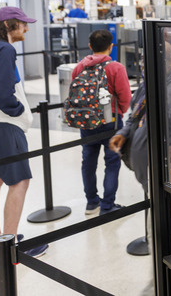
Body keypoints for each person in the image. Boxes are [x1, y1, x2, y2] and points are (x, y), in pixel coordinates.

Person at [110, 33, 171, 254]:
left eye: (149, 62)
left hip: (170, 175)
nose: (144, 66)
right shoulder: (150, 85)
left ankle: (164, 281)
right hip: (153, 171)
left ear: (169, 60)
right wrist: (125, 133)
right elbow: (135, 116)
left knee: (160, 234)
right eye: (143, 62)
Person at [0, 7, 48, 257]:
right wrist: (17, 111)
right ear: (8, 26)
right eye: (23, 24)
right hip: (5, 125)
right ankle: (10, 245)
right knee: (20, 181)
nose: (26, 28)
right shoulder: (5, 49)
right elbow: (4, 93)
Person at [71, 30, 132, 215]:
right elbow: (125, 97)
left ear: (90, 46)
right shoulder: (116, 68)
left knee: (88, 162)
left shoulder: (79, 67)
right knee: (112, 162)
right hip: (110, 122)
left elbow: (73, 95)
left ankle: (91, 203)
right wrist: (118, 112)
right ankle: (107, 205)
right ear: (111, 46)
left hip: (86, 122)